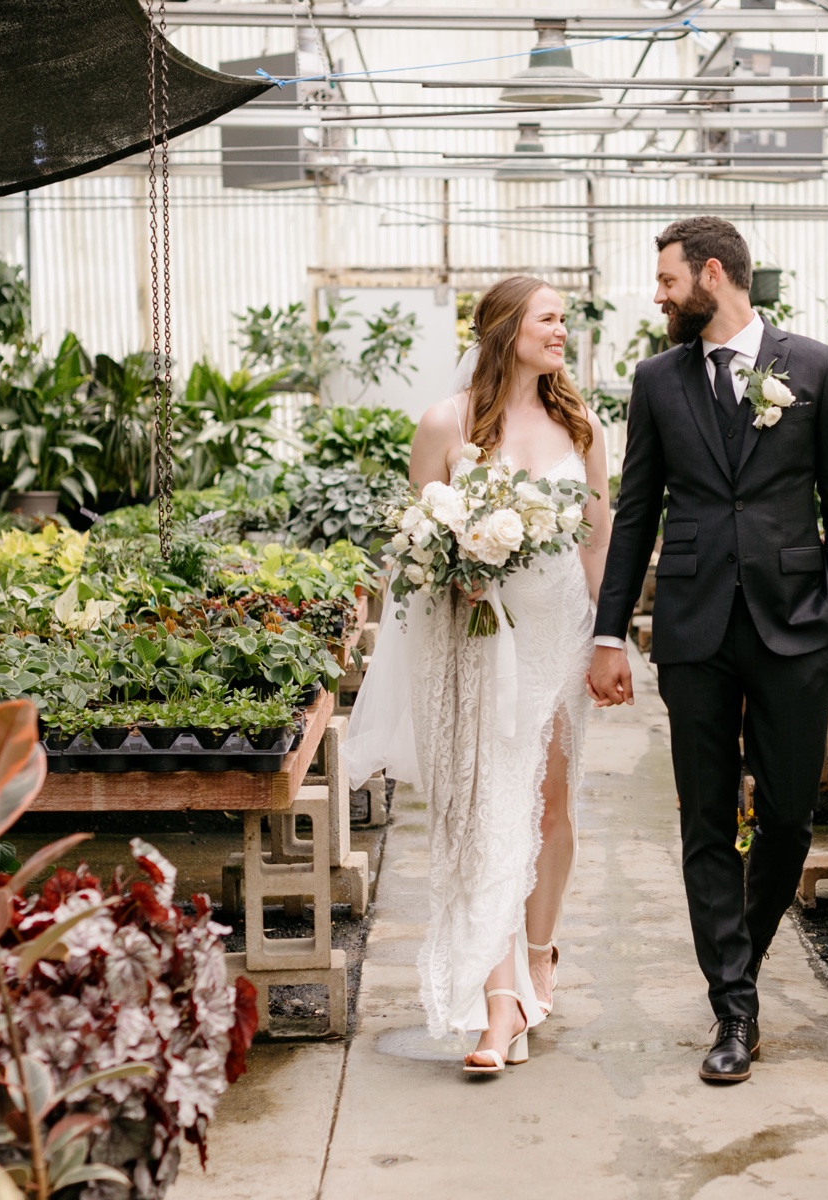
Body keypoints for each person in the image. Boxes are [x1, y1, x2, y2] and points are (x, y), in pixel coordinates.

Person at [588, 217, 828, 1085]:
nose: (659, 294)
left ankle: (737, 948)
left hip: (794, 625)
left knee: (786, 817)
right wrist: (609, 631)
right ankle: (734, 1007)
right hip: (695, 625)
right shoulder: (657, 380)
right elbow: (636, 513)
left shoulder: (816, 366)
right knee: (706, 819)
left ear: (713, 274)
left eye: (668, 279)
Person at [345, 275, 612, 1075]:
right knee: (489, 810)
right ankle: (497, 1012)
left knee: (550, 805)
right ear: (505, 330)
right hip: (477, 636)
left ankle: (539, 954)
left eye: (565, 319)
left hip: (560, 630)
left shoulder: (582, 424)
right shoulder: (444, 423)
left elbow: (600, 538)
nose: (563, 331)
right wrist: (456, 569)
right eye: (549, 319)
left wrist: (609, 639)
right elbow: (418, 541)